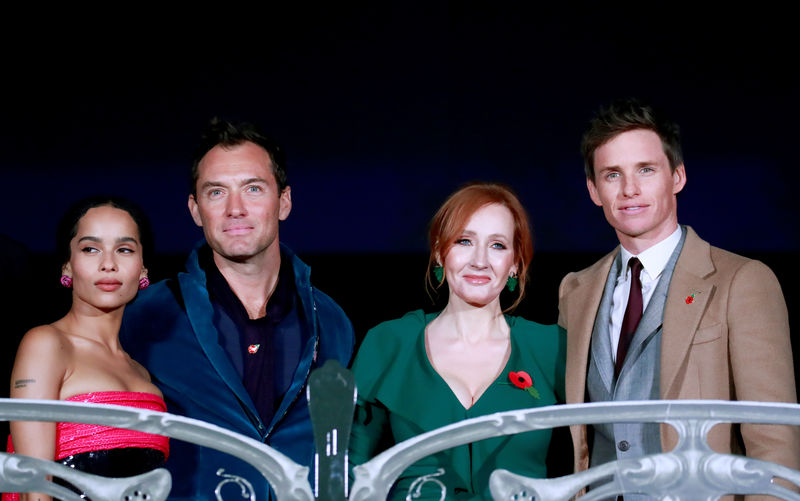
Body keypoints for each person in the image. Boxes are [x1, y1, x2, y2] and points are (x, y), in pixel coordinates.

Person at [558, 98, 800, 496]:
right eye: (612, 175)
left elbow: (774, 443)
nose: (630, 190)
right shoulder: (576, 291)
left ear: (677, 176)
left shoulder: (742, 282)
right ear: (594, 190)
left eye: (646, 170)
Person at [120, 118, 354, 500]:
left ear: (284, 201)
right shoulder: (146, 316)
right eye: (216, 192)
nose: (235, 209)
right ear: (196, 210)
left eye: (253, 189)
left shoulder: (331, 320)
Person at [350, 182, 566, 500]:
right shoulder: (390, 343)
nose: (479, 260)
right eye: (464, 241)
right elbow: (348, 470)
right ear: (440, 252)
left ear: (515, 263)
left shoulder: (551, 347)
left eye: (497, 245)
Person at [4, 197, 168, 501]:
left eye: (124, 249)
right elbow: (33, 488)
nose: (108, 264)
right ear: (67, 264)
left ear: (143, 269)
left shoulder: (140, 372)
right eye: (91, 249)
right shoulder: (46, 344)